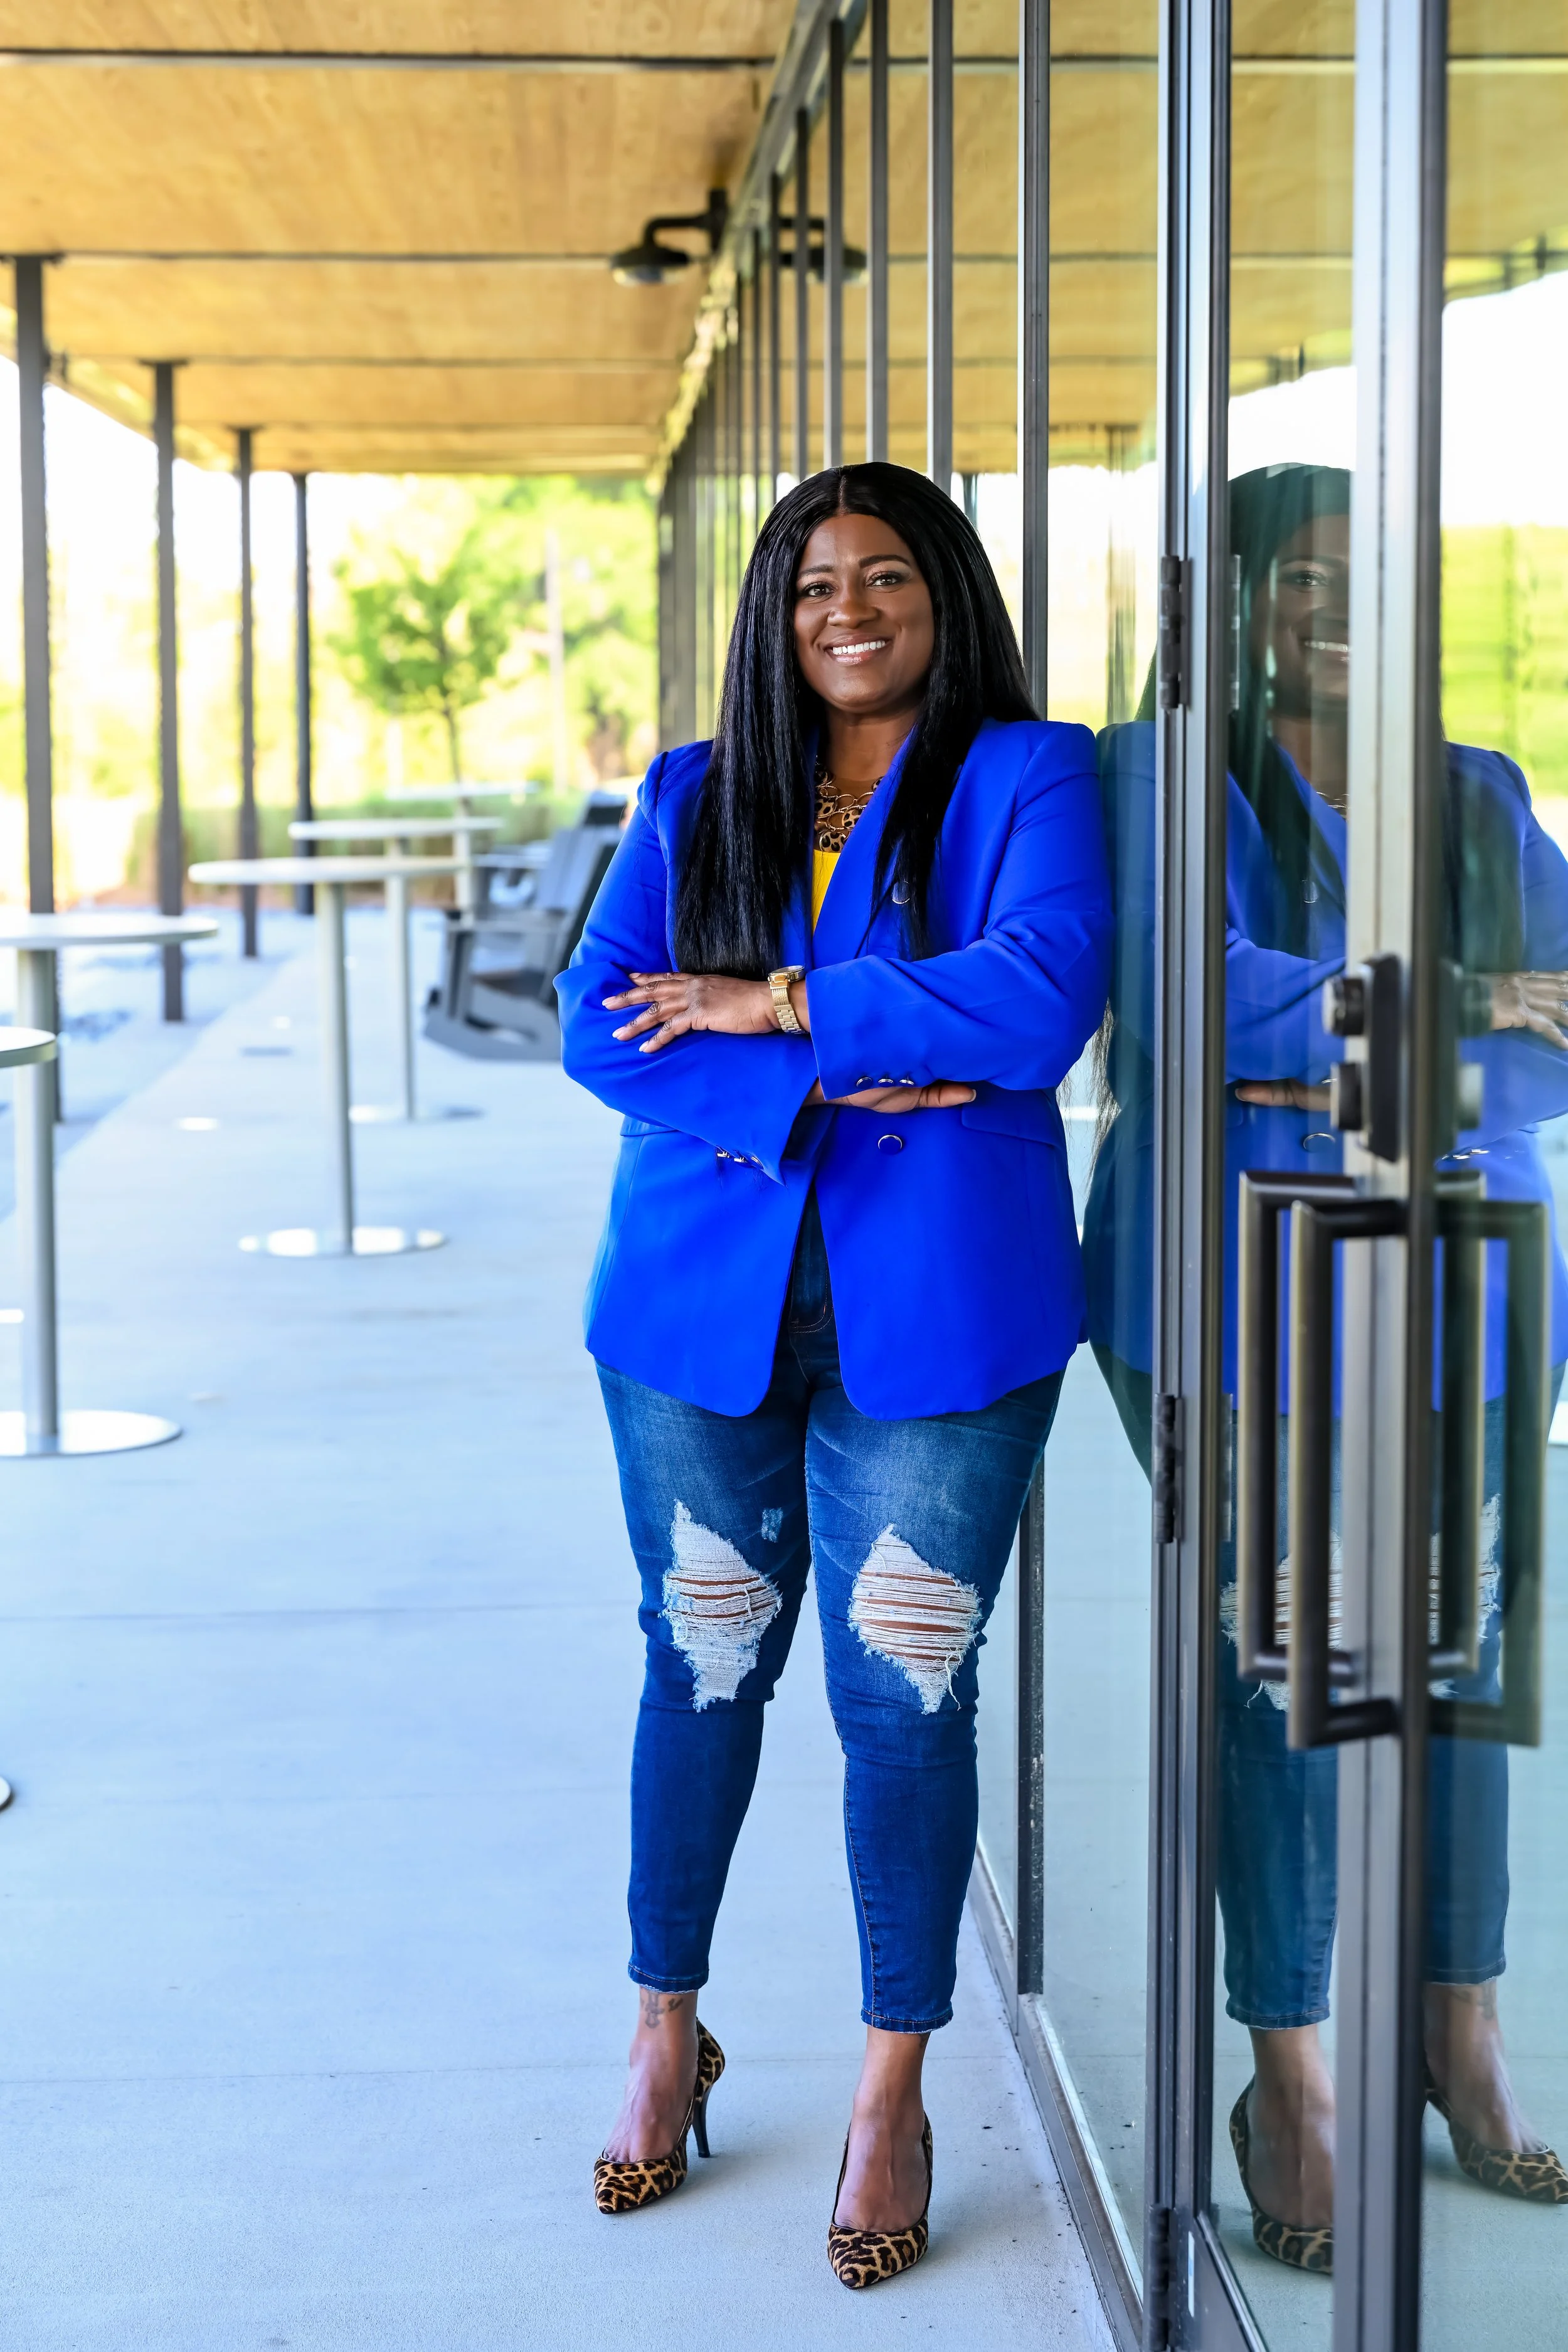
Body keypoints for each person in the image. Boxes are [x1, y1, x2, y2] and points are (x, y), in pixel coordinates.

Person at [556, 461, 1111, 2287]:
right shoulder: (696, 791)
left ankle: (891, 2084)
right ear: (770, 617)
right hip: (699, 1313)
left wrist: (773, 1000)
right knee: (703, 1661)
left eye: (881, 575)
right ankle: (665, 2028)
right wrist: (837, 1070)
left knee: (904, 1696)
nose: (844, 609)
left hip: (941, 1321)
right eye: (808, 586)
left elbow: (1037, 996)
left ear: (941, 591)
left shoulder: (1030, 775)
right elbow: (601, 1021)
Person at [1085, 462, 1568, 2272]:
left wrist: (1340, 1052)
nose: (1330, 607)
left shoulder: (1468, 790)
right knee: (1286, 1678)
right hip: (1240, 1300)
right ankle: (1286, 2065)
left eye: (1366, 574)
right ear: (1229, 603)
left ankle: (1455, 2030)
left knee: (1450, 1669)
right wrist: (1461, 1004)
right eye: (1295, 575)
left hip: (1456, 1290)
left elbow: (1562, 1030)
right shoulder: (1156, 777)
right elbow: (1195, 1001)